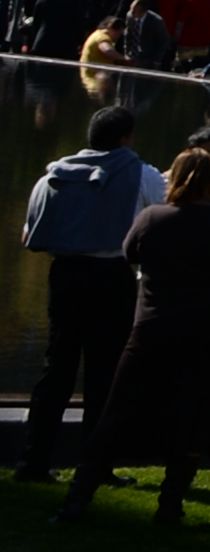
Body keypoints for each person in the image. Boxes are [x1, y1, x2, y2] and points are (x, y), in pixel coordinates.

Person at [57, 143, 210, 522]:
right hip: (208, 335)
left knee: (117, 414)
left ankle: (76, 501)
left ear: (173, 179)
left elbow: (129, 253)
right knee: (193, 420)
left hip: (153, 330)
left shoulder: (152, 219)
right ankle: (169, 505)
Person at [15, 102, 164, 482]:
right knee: (105, 374)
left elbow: (29, 233)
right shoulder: (141, 175)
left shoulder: (54, 176)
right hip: (112, 277)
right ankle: (96, 465)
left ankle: (33, 461)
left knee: (56, 369)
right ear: (125, 137)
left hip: (64, 275)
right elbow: (159, 221)